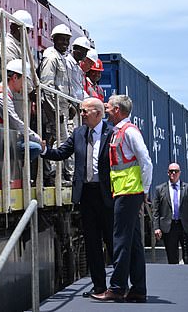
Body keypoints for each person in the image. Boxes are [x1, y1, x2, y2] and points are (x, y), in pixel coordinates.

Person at [41, 98, 115, 297]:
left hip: (107, 194)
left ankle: (118, 286)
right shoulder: (79, 133)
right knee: (92, 243)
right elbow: (62, 153)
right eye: (81, 111)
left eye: (85, 111)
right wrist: (44, 150)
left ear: (98, 114)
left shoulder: (112, 133)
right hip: (86, 195)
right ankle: (99, 285)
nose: (81, 114)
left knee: (112, 241)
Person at [92, 95, 153, 303]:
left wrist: (144, 190)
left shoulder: (129, 132)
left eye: (108, 107)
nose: (106, 110)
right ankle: (138, 289)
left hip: (129, 193)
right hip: (125, 192)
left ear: (117, 110)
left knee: (120, 241)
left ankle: (117, 288)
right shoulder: (121, 131)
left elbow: (146, 161)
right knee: (134, 242)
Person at [0, 59, 45, 163]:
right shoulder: (1, 96)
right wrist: (37, 138)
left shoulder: (3, 93)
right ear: (15, 77)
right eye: (24, 81)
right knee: (35, 147)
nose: (24, 85)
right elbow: (15, 122)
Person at [39, 25, 74, 183]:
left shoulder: (62, 58)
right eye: (61, 39)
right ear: (53, 39)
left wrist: (70, 106)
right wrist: (54, 111)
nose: (64, 43)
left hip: (62, 109)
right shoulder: (51, 57)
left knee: (56, 141)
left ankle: (56, 175)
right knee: (59, 143)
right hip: (54, 109)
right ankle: (54, 176)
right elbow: (47, 86)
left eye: (67, 40)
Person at [152, 163, 188, 265]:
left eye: (176, 171)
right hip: (169, 227)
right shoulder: (160, 189)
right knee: (172, 258)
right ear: (168, 173)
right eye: (171, 171)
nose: (173, 173)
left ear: (180, 173)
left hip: (186, 226)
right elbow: (156, 211)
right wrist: (156, 227)